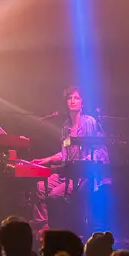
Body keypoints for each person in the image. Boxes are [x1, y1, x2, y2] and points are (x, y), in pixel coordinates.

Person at [31, 85, 109, 235]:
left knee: (55, 195)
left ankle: (65, 231)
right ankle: (43, 230)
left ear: (82, 102)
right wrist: (46, 159)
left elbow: (100, 151)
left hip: (82, 175)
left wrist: (80, 164)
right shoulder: (66, 126)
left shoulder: (90, 122)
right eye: (69, 98)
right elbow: (64, 154)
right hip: (66, 173)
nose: (73, 101)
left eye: (76, 98)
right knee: (40, 187)